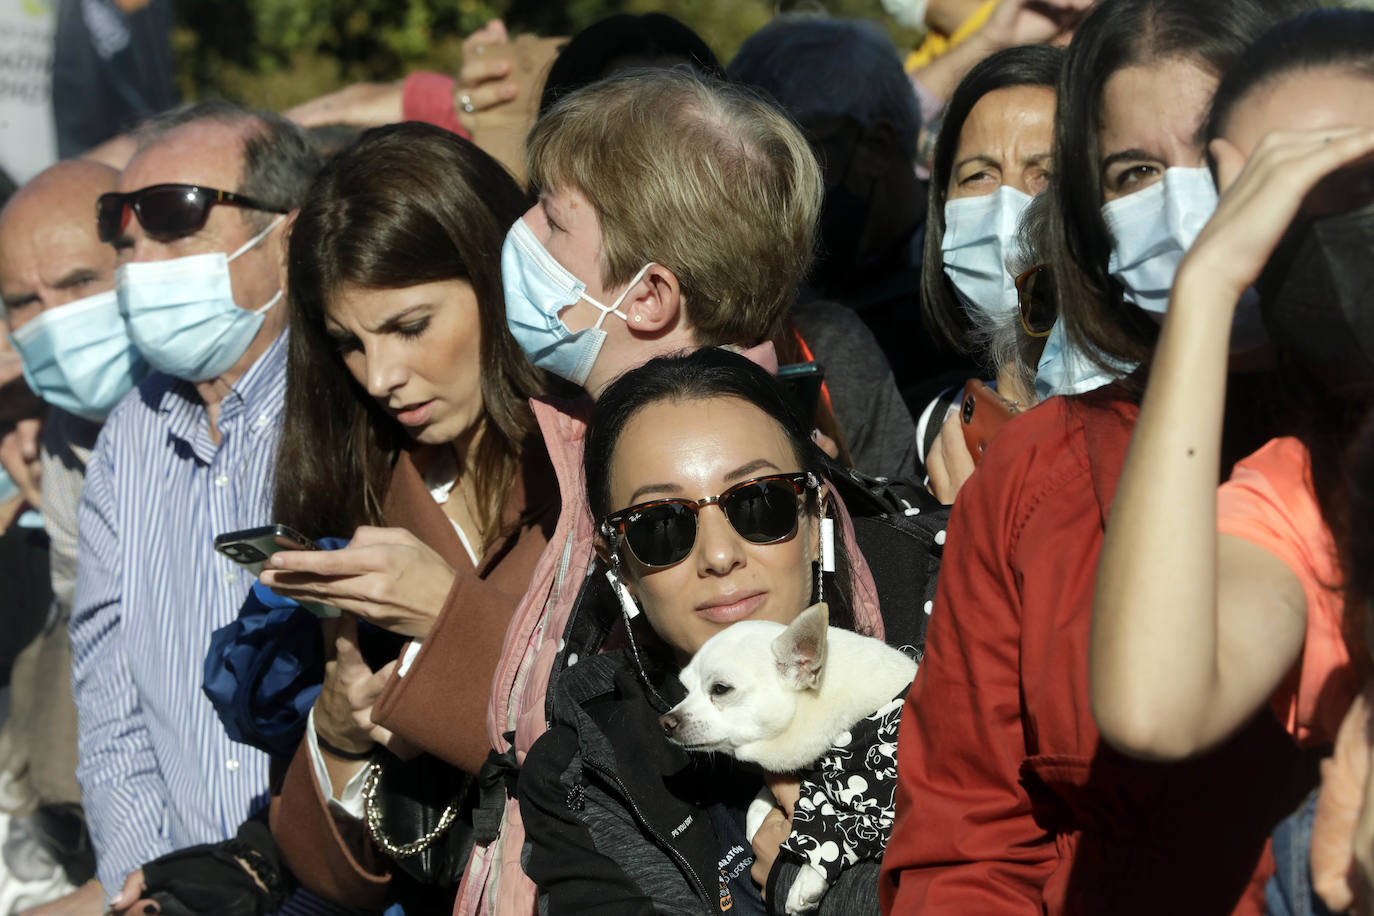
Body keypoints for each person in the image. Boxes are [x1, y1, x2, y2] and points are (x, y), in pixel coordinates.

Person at [879, 1, 1317, 912]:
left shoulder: (1338, 453)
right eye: (1137, 171)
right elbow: (965, 840)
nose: (1186, 203)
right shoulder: (1038, 473)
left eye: (1219, 152)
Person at [461, 69, 825, 915]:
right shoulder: (584, 438)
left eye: (552, 218)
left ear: (649, 296)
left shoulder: (758, 514)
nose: (519, 233)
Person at [248, 122, 557, 912]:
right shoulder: (363, 498)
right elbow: (335, 877)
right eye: (347, 343)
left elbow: (633, 739)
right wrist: (339, 738)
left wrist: (448, 617)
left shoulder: (598, 469)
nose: (380, 376)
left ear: (498, 277)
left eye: (410, 326)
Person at [1091, 10, 1374, 763]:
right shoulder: (1300, 501)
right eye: (1272, 199)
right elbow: (1152, 710)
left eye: (1359, 180)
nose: (1322, 225)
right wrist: (1207, 286)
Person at [519, 348, 891, 914]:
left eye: (760, 503)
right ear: (617, 564)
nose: (719, 556)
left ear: (814, 519)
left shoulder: (956, 625)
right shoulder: (585, 775)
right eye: (661, 526)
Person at [71, 100, 321, 904]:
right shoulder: (129, 437)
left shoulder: (351, 403)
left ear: (288, 235)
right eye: (124, 232)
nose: (140, 258)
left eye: (175, 217)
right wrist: (152, 889)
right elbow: (111, 706)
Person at [0, 158, 134, 914]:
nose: (52, 317)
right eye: (24, 300)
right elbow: (103, 658)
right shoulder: (65, 436)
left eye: (79, 284)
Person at [914, 44, 1062, 502]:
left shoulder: (1147, 409)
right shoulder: (941, 423)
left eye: (1047, 174)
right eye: (979, 175)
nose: (1007, 206)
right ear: (942, 201)